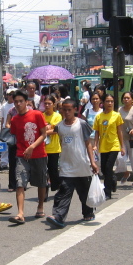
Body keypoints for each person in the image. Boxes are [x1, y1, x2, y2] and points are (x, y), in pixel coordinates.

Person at [46, 98, 99, 228]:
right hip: (66, 166)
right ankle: (58, 216)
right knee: (64, 191)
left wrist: (92, 162)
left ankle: (88, 213)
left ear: (75, 110)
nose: (67, 112)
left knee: (84, 192)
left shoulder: (82, 124)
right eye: (64, 109)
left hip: (82, 165)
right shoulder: (60, 126)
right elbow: (57, 139)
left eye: (69, 110)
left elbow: (88, 143)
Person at [9, 90, 48, 225]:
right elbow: (14, 135)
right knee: (20, 183)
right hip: (21, 155)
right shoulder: (14, 119)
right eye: (16, 102)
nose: (18, 104)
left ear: (26, 102)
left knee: (41, 182)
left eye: (21, 101)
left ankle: (40, 206)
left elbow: (44, 134)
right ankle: (20, 213)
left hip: (38, 154)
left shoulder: (37, 114)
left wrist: (32, 147)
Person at [93, 93, 125, 200]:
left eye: (111, 101)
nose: (110, 103)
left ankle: (107, 192)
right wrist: (95, 145)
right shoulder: (99, 116)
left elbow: (119, 132)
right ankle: (113, 180)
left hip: (114, 145)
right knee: (105, 169)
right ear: (103, 102)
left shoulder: (117, 115)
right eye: (107, 101)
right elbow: (97, 132)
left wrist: (122, 146)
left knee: (108, 167)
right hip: (103, 145)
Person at [42, 95, 62, 193]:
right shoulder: (41, 116)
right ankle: (44, 189)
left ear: (54, 105)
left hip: (54, 147)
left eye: (49, 104)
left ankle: (57, 187)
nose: (47, 105)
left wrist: (45, 132)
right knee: (43, 171)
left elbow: (56, 130)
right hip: (43, 148)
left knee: (53, 170)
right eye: (45, 103)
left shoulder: (57, 116)